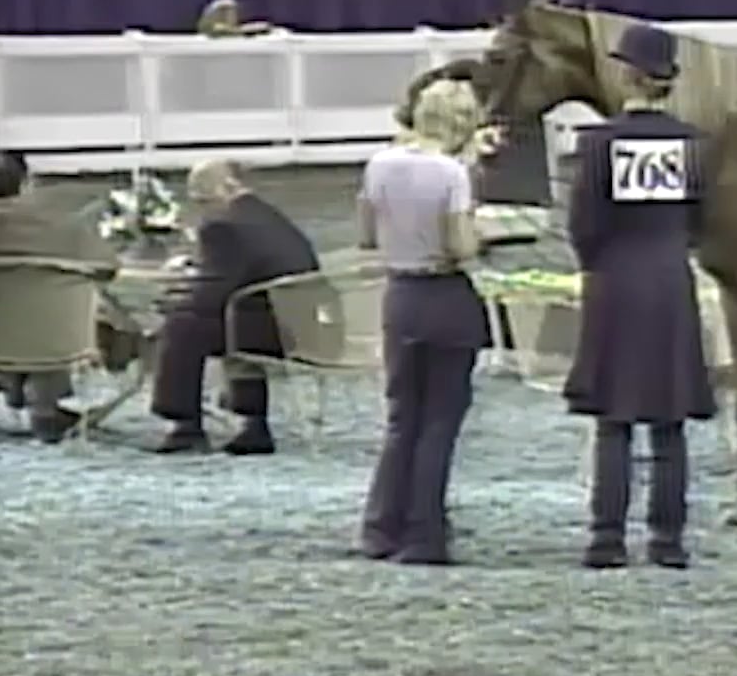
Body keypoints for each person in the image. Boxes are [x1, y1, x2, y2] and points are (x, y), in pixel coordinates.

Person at [565, 24, 716, 569]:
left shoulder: (598, 144)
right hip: (671, 277)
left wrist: (597, 266)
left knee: (614, 417)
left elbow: (583, 226)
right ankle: (667, 540)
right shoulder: (694, 144)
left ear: (627, 76)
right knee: (669, 418)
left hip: (615, 279)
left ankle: (607, 537)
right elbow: (702, 219)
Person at [356, 81, 502, 566]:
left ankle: (381, 527)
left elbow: (366, 234)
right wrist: (482, 234)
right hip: (444, 296)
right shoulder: (451, 174)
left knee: (403, 418)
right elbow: (460, 247)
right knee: (440, 420)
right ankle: (424, 533)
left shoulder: (379, 164)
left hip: (400, 294)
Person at [148, 160, 323, 456]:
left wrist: (176, 300)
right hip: (301, 326)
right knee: (225, 320)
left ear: (224, 189)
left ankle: (184, 425)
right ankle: (252, 422)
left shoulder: (222, 225)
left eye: (203, 201)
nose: (202, 210)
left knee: (182, 326)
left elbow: (212, 293)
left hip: (264, 329)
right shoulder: (269, 215)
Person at [0, 151, 121, 443]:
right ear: (26, 183)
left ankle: (20, 389)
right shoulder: (63, 226)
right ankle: (46, 405)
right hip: (56, 342)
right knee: (106, 321)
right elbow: (108, 267)